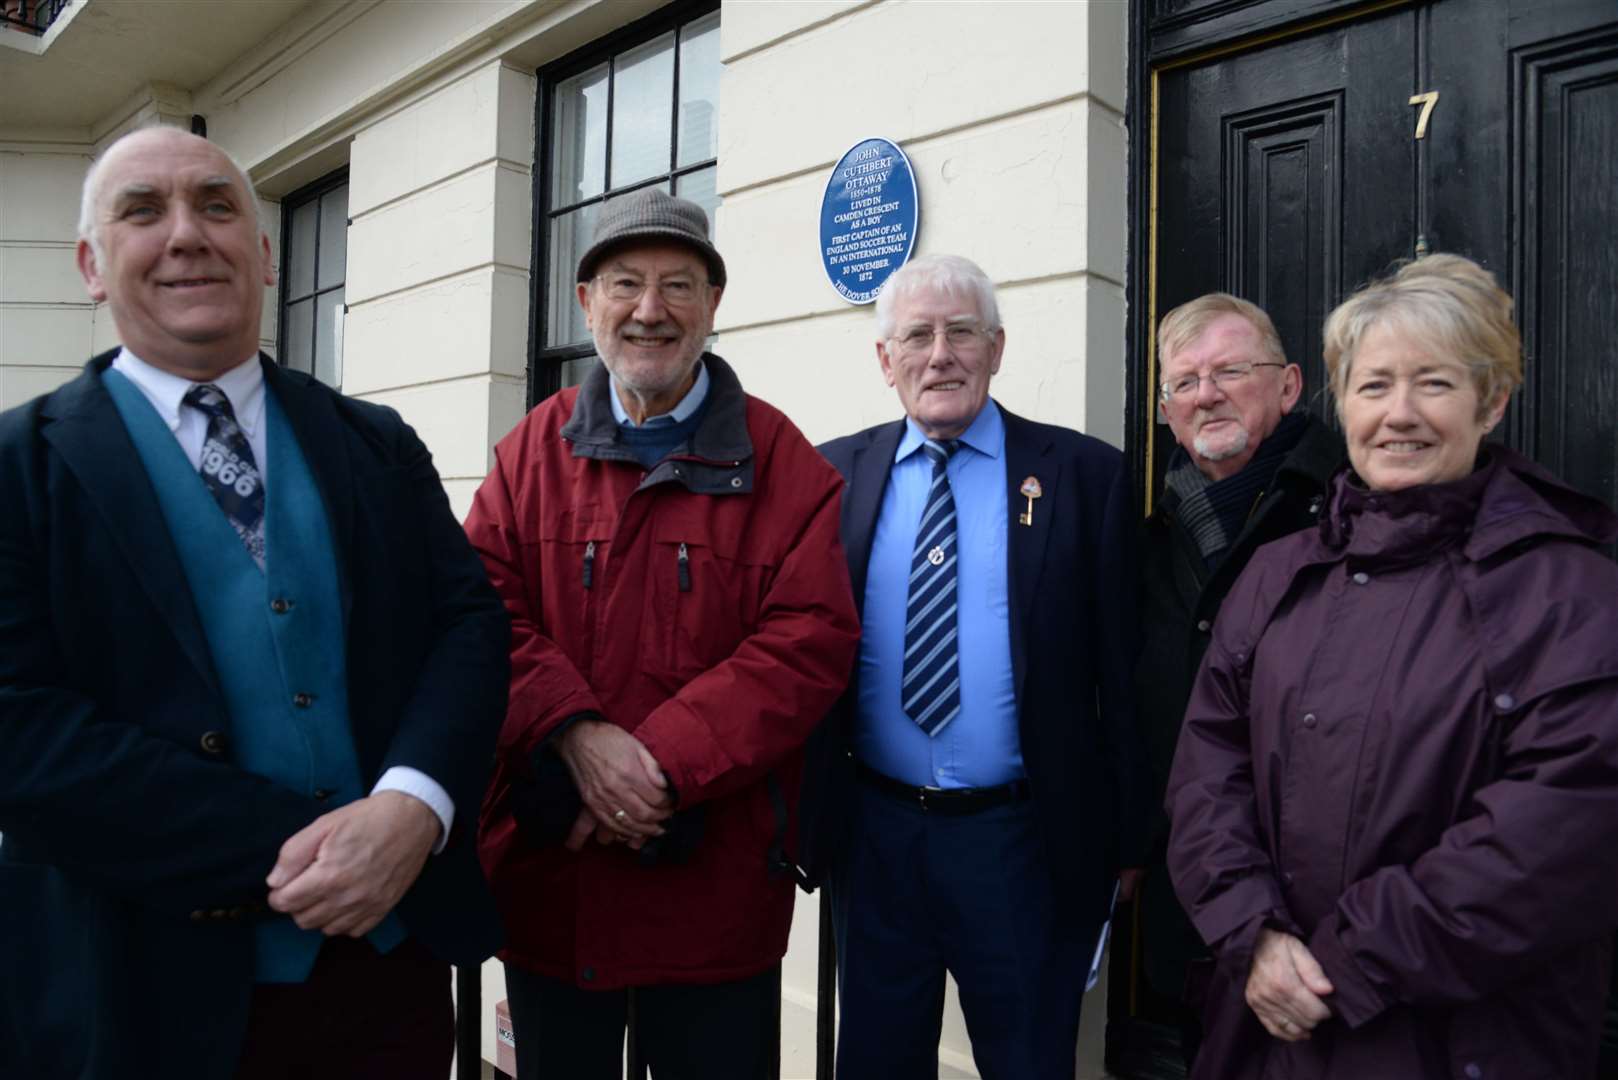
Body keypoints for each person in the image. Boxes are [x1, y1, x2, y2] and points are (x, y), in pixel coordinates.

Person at [0, 126, 509, 1079]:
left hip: (384, 984)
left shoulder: (375, 441)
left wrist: (411, 809)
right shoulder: (18, 467)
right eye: (143, 211)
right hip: (136, 989)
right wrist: (307, 848)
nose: (188, 234)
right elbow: (19, 726)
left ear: (266, 256)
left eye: (218, 205)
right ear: (90, 265)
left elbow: (467, 627)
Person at [1166, 253, 1618, 1078]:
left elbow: (1563, 828)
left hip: (1463, 1039)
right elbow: (1206, 768)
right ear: (1342, 403)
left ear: (1493, 400)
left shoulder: (1570, 588)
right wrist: (1252, 933)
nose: (1399, 414)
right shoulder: (1279, 572)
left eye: (1434, 384)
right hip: (1267, 1026)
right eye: (1374, 386)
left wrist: (1348, 961)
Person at [466, 187, 860, 1080]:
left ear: (713, 306)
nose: (651, 311)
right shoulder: (529, 453)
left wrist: (655, 766)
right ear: (586, 302)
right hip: (555, 891)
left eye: (679, 285)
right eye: (627, 284)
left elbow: (810, 640)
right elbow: (480, 611)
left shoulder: (783, 461)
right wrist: (577, 734)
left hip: (712, 895)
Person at [805, 253, 1150, 1079]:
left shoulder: (1084, 477)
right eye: (916, 336)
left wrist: (1133, 835)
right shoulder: (829, 476)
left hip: (1022, 843)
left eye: (962, 332)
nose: (940, 354)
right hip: (875, 838)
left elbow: (1126, 672)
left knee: (1029, 1060)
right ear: (884, 361)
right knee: (878, 1062)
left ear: (997, 349)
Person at [1124, 294, 1342, 1070]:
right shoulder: (1149, 536)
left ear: (1287, 387)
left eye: (1229, 372)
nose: (1206, 394)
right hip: (1191, 898)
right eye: (1184, 382)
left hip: (1323, 904)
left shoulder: (1347, 512)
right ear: (1166, 412)